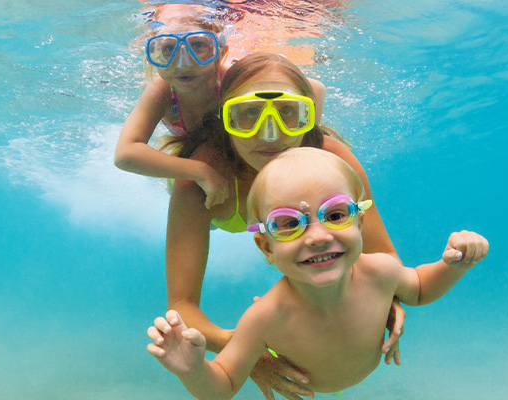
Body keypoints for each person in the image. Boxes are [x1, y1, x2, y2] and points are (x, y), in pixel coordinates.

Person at [148, 147, 490, 399]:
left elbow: (418, 289)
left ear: (360, 222)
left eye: (336, 215)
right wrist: (193, 371)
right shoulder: (264, 317)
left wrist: (453, 265)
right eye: (288, 224)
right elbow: (223, 384)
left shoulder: (381, 272)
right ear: (266, 248)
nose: (317, 236)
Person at [159, 52, 403, 400]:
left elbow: (383, 257)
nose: (270, 134)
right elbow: (181, 305)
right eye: (248, 115)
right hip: (225, 214)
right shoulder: (197, 182)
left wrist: (387, 298)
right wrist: (244, 348)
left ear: (308, 115)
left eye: (288, 112)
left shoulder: (334, 162)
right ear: (225, 119)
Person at [115, 4, 329, 209]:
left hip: (238, 151)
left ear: (221, 51)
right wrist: (200, 171)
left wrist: (302, 149)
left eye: (198, 46)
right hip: (196, 155)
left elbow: (316, 89)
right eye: (168, 48)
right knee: (190, 195)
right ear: (153, 56)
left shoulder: (230, 77)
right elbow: (125, 154)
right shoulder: (161, 91)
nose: (183, 62)